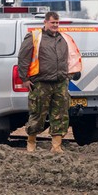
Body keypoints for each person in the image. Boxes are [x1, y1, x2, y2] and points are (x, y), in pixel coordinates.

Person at [17, 12, 82, 153]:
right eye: (53, 23)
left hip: (60, 83)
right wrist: (25, 79)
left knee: (61, 114)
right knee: (38, 113)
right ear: (45, 22)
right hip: (41, 83)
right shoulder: (34, 37)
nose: (55, 25)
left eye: (57, 23)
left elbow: (72, 57)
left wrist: (70, 74)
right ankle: (31, 141)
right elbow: (23, 58)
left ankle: (56, 146)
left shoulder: (64, 38)